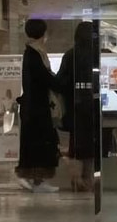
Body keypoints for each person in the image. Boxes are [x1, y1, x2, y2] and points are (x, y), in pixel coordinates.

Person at [15, 18, 61, 192]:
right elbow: (44, 78)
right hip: (36, 108)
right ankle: (33, 178)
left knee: (37, 143)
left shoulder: (33, 52)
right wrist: (60, 83)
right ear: (43, 33)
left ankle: (37, 180)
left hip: (35, 107)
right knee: (39, 143)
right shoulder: (34, 53)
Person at [57, 21, 97, 192]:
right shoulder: (96, 55)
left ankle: (76, 178)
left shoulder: (70, 55)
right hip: (93, 106)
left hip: (74, 106)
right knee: (91, 145)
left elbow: (60, 81)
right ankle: (88, 178)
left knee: (76, 144)